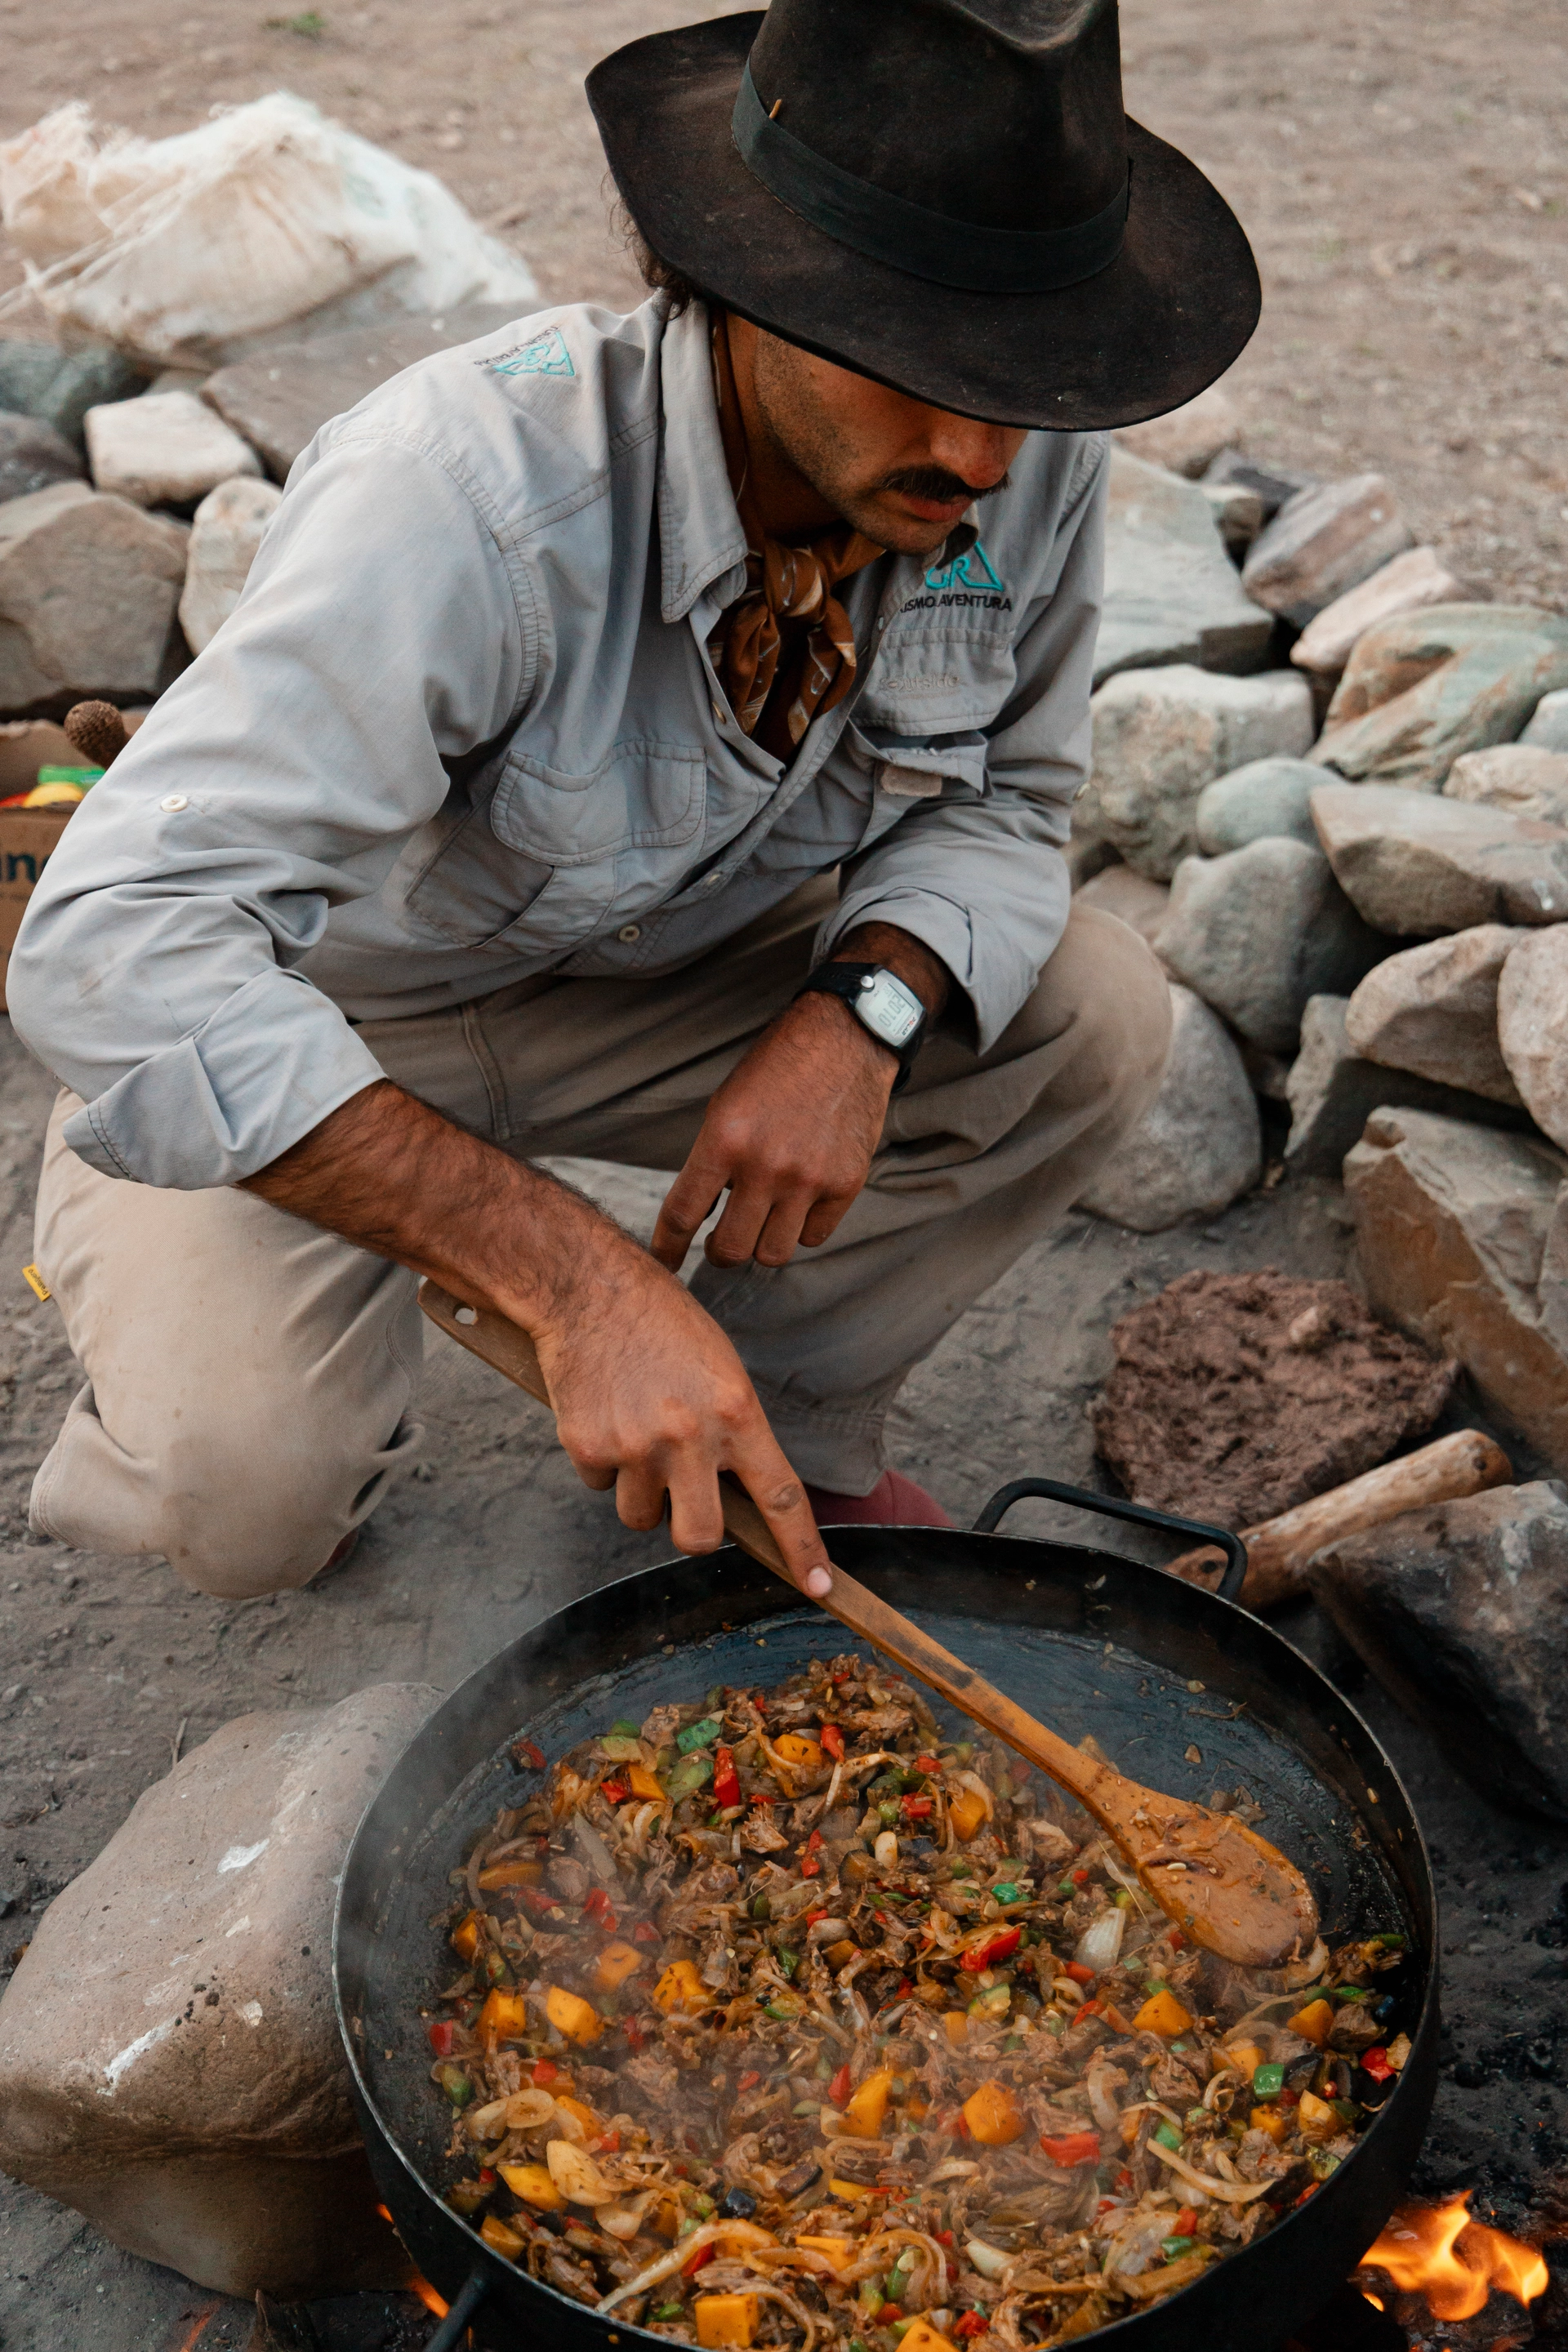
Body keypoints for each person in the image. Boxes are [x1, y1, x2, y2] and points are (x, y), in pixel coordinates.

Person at [9, 0, 1259, 1606]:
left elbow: (1011, 803)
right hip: (332, 1014)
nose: (975, 447)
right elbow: (114, 949)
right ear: (746, 290)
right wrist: (569, 1275)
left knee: (1087, 1011)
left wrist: (863, 1015)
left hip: (658, 986)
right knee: (248, 1494)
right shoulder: (466, 494)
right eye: (914, 362)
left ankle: (772, 1431)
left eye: (1018, 372)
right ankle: (240, 1265)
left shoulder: (1018, 451)